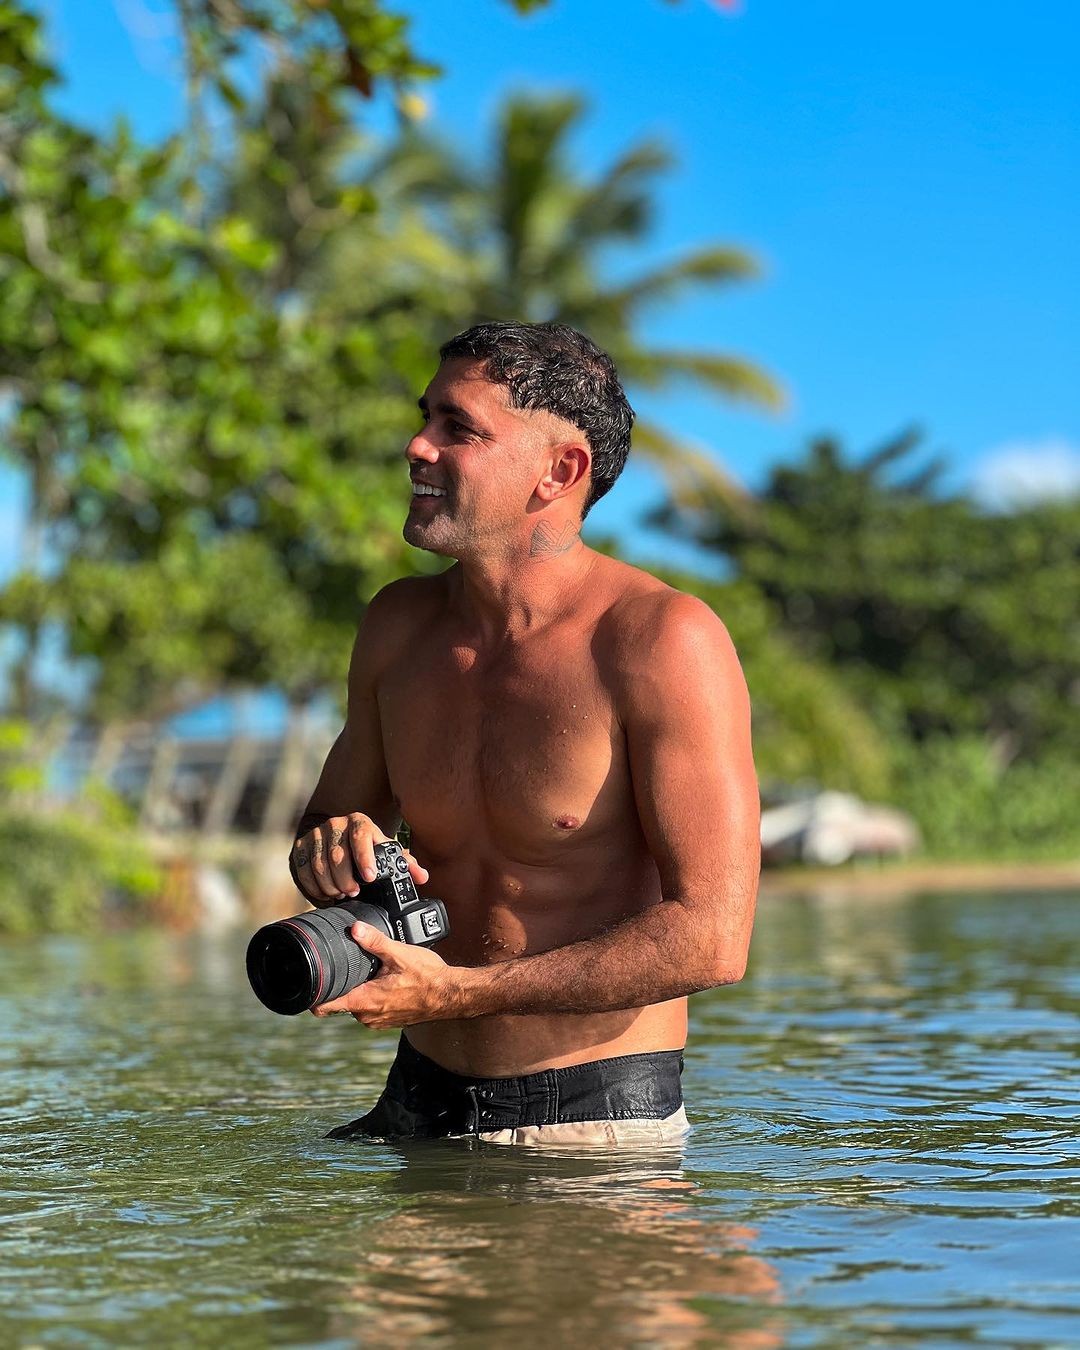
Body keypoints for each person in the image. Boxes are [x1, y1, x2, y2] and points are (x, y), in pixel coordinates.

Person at [289, 321, 760, 1145]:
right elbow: (322, 835)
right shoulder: (397, 626)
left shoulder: (658, 640)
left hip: (591, 1121)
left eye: (458, 428)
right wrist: (330, 846)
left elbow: (712, 939)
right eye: (426, 416)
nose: (417, 445)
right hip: (415, 1097)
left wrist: (459, 993)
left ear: (560, 470)